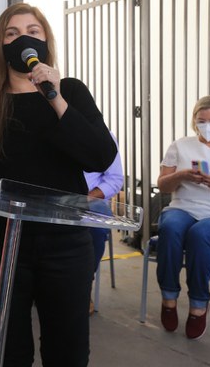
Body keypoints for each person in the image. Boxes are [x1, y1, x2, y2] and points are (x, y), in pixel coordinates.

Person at [0, 2, 117, 367]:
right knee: (10, 352)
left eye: (33, 32)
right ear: (0, 46)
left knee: (68, 352)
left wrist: (55, 98)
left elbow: (100, 156)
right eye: (12, 33)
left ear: (46, 41)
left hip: (65, 244)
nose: (23, 39)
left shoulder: (71, 92)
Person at [155, 95, 210, 340]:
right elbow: (163, 186)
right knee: (170, 228)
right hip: (183, 207)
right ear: (194, 121)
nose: (207, 126)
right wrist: (182, 176)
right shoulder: (181, 146)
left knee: (201, 234)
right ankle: (168, 298)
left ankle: (199, 304)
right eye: (201, 120)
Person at [84, 134, 124, 314]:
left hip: (92, 198)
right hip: (54, 198)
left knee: (97, 229)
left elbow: (115, 179)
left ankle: (83, 286)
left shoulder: (103, 135)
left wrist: (88, 197)